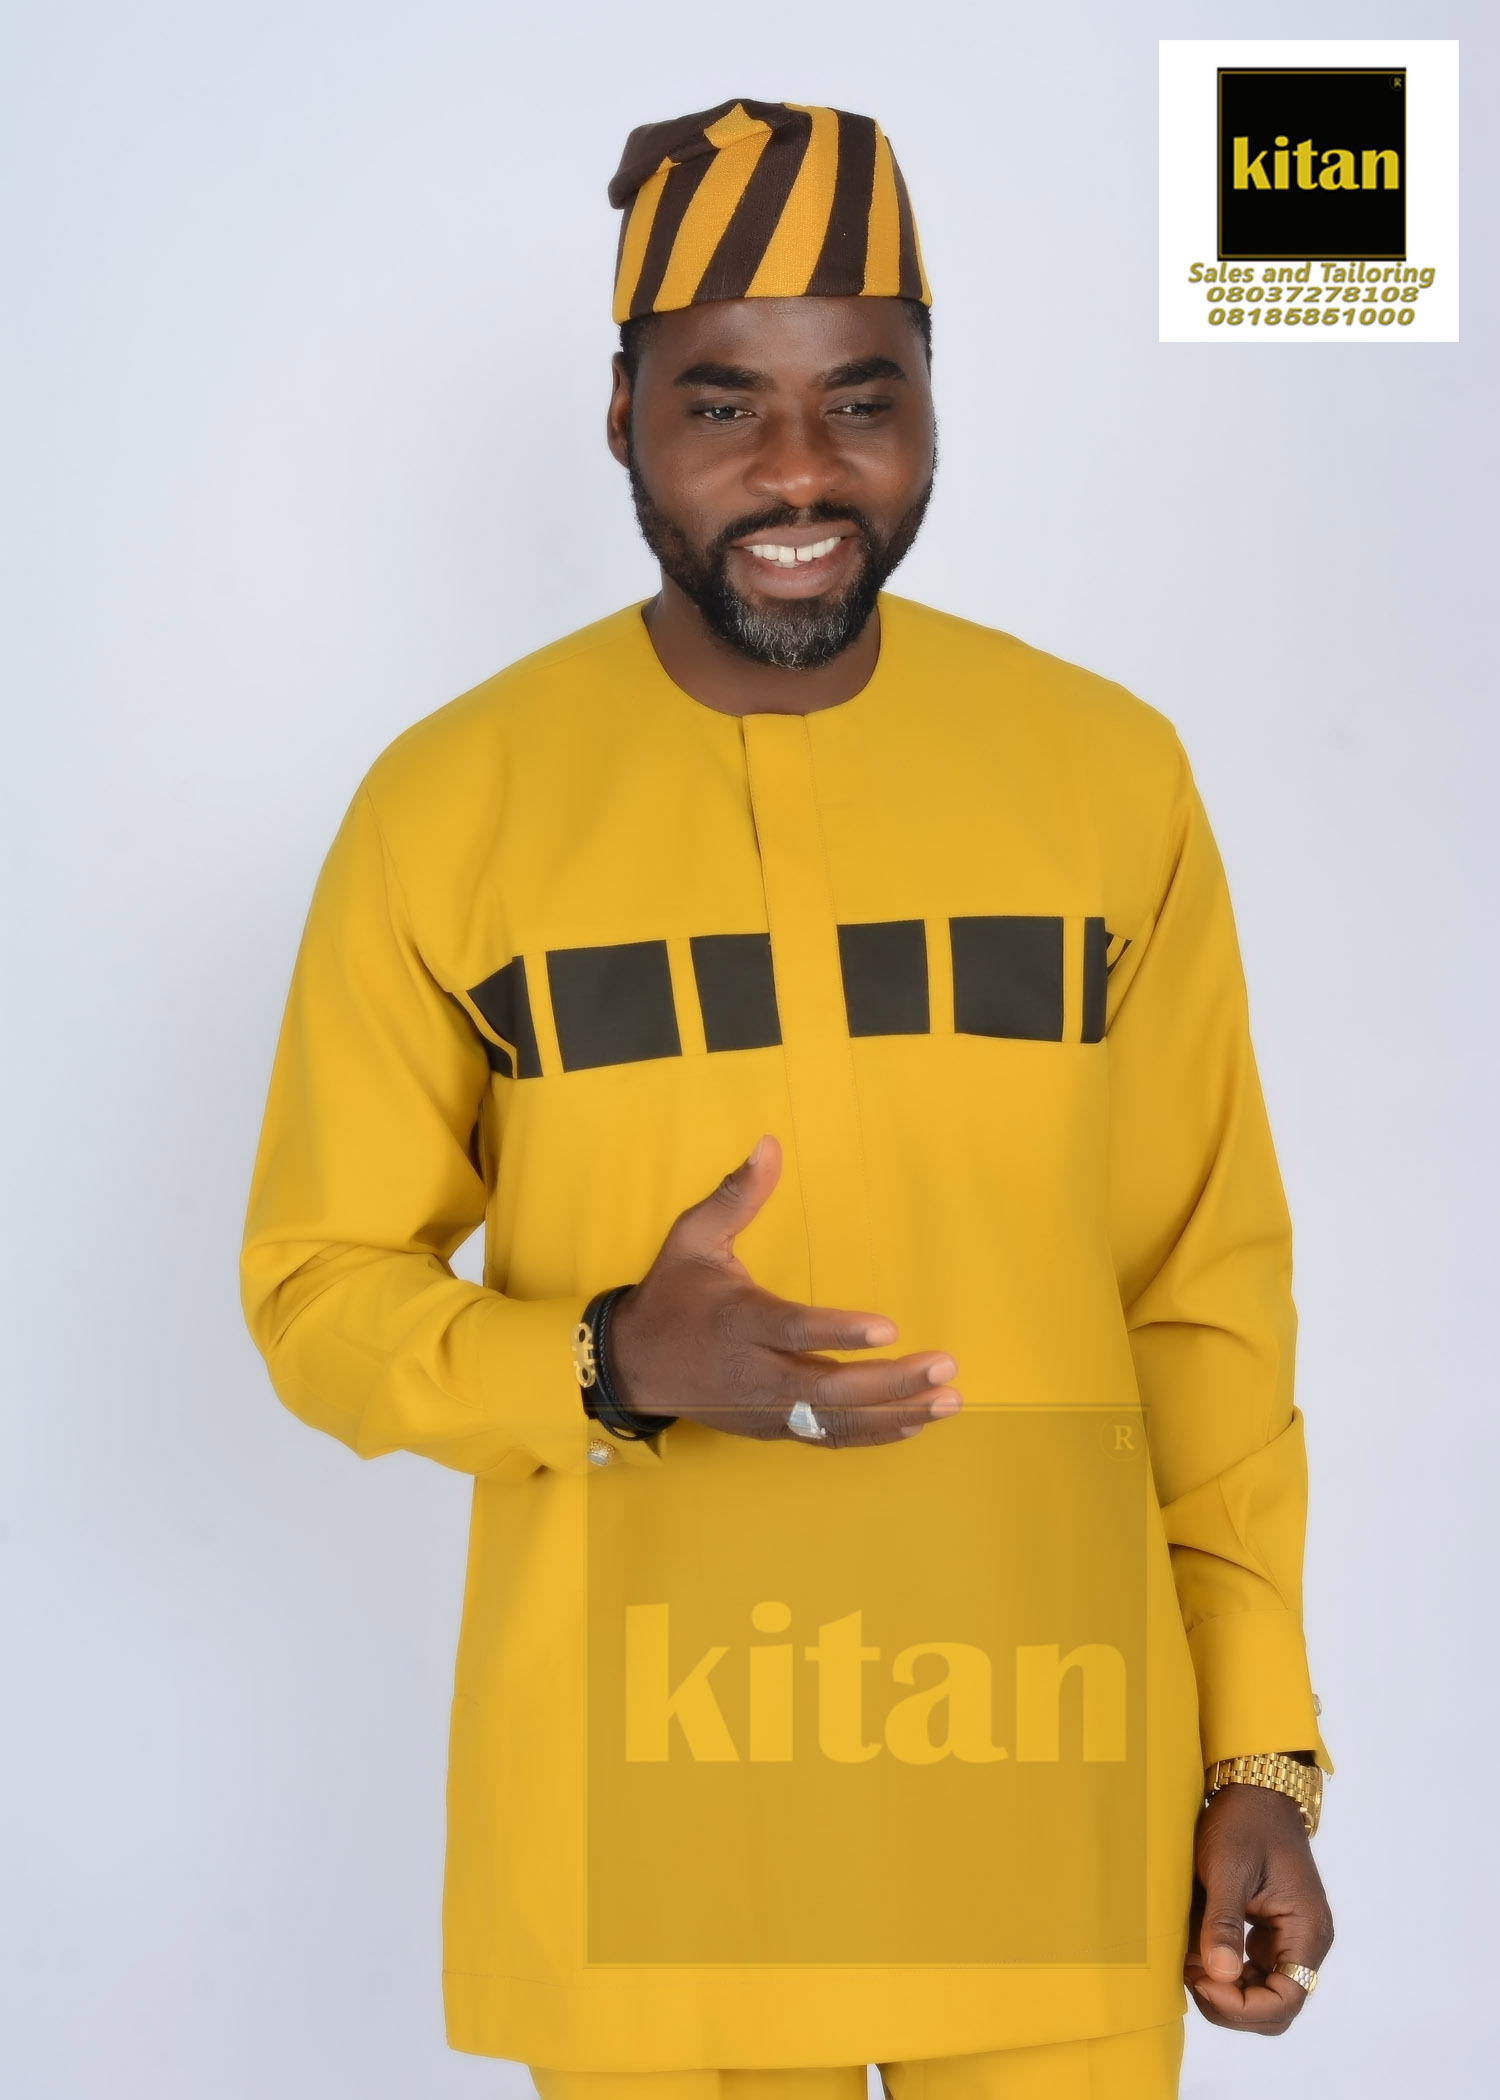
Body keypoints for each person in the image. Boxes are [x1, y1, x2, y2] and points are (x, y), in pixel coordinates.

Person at [242, 99, 1333, 2100]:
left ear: (931, 408)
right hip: (651, 1842)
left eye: (862, 399)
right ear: (621, 418)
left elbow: (1204, 1304)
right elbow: (316, 1289)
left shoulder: (1109, 778)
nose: (800, 469)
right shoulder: (449, 807)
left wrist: (1258, 1754)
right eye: (722, 404)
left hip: (1056, 1810)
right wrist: (604, 1360)